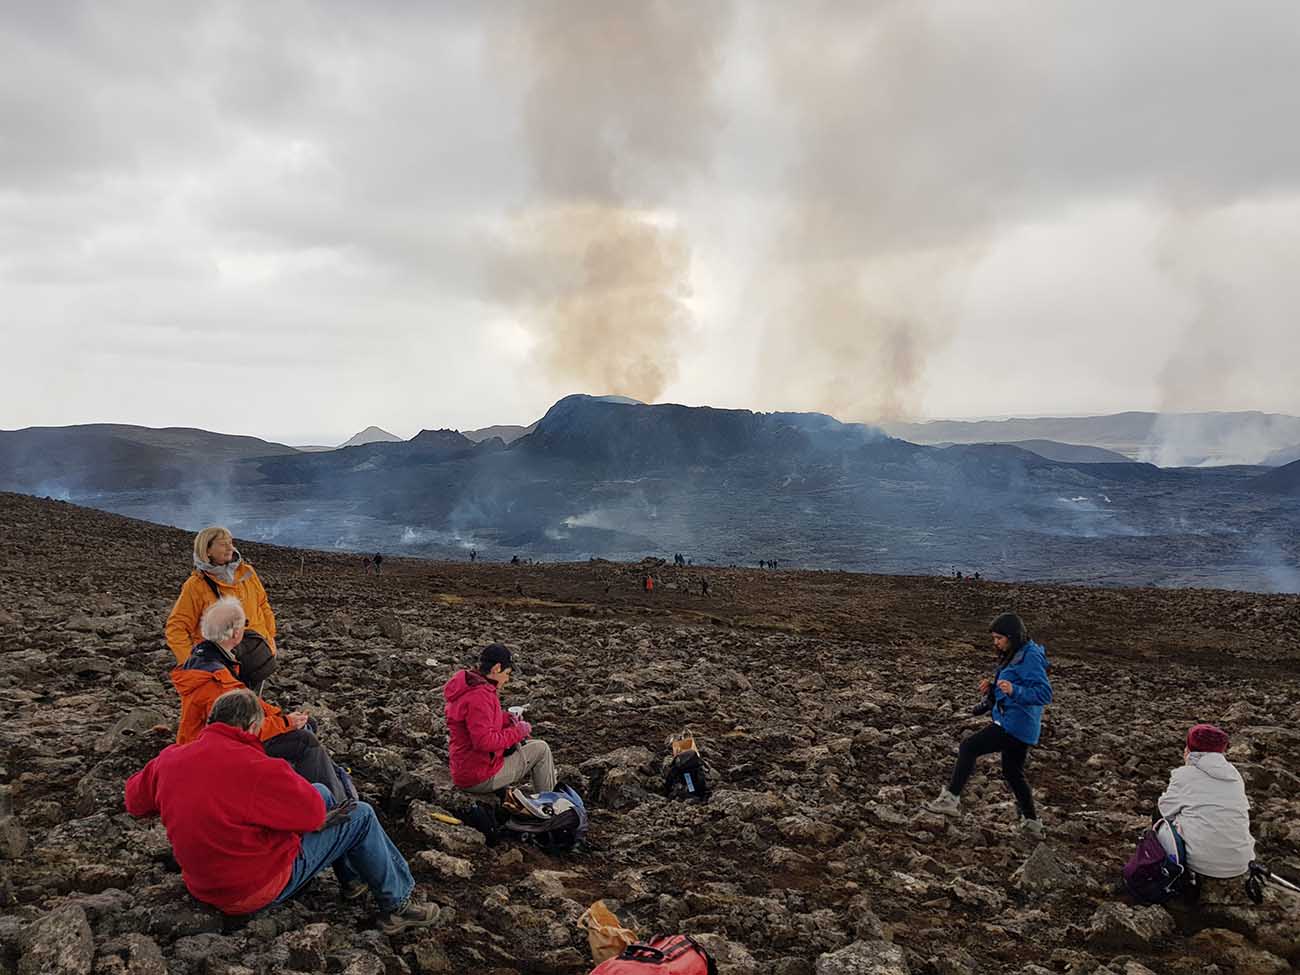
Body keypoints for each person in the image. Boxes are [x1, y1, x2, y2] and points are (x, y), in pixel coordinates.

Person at [125, 689, 436, 931]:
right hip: (253, 890)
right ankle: (398, 906)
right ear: (251, 727)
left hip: (203, 884)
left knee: (323, 791)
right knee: (361, 816)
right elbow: (313, 816)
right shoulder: (259, 767)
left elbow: (134, 804)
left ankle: (352, 880)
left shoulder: (170, 759)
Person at [172, 598, 348, 800]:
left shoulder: (205, 659)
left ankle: (303, 791)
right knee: (304, 741)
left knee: (307, 725)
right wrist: (285, 722)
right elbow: (239, 731)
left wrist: (280, 716)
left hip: (205, 745)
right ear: (236, 633)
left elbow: (245, 706)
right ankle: (333, 806)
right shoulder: (217, 680)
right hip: (214, 757)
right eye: (244, 624)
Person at [926, 613, 1053, 835]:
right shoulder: (1018, 653)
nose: (995, 643)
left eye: (998, 638)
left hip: (1015, 725)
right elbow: (1013, 680)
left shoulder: (1029, 657)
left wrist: (1014, 690)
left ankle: (951, 800)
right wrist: (994, 687)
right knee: (1012, 771)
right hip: (1021, 724)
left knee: (969, 747)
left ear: (1012, 637)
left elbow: (1044, 693)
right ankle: (1032, 822)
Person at [443, 644, 555, 795]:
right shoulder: (480, 696)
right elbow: (484, 742)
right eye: (507, 673)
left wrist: (505, 719)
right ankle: (549, 804)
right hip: (479, 777)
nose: (507, 679)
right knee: (541, 749)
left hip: (468, 768)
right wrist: (517, 732)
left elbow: (476, 721)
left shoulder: (471, 686)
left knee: (534, 745)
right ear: (496, 668)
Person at [166, 526, 276, 665]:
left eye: (231, 542)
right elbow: (176, 628)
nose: (230, 548)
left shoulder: (247, 572)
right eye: (223, 544)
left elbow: (263, 604)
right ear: (207, 550)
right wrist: (194, 663)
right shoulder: (196, 585)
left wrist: (270, 638)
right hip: (221, 663)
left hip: (258, 655)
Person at [1158, 724, 1255, 879]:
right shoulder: (1234, 775)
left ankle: (1167, 872)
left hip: (1203, 866)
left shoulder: (1184, 775)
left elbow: (1165, 810)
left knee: (1161, 823)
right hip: (1241, 863)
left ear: (1189, 749)